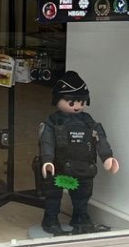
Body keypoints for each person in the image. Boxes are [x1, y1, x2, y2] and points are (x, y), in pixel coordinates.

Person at [37, 70, 119, 235]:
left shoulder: (88, 121)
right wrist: (47, 160)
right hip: (59, 168)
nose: (77, 106)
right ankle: (51, 218)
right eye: (71, 102)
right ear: (58, 99)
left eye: (81, 102)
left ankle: (80, 217)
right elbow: (47, 141)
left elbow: (100, 138)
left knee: (82, 195)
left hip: (83, 168)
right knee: (54, 194)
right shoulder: (53, 121)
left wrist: (107, 157)